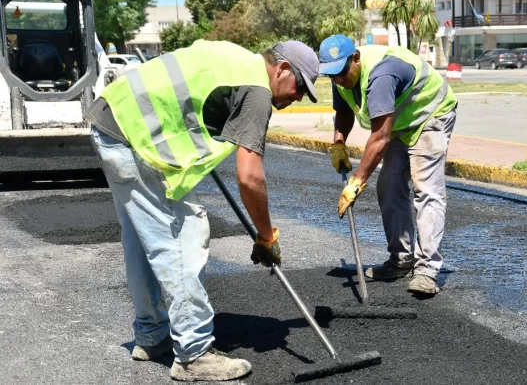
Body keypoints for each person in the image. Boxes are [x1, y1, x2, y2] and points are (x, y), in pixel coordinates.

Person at [84, 39, 319, 381]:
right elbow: (250, 177)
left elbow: (191, 95)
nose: (297, 97)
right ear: (282, 69)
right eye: (300, 87)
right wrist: (266, 236)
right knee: (183, 235)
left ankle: (151, 335)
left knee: (142, 239)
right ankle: (193, 353)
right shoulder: (257, 90)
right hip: (133, 135)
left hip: (113, 124)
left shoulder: (237, 58)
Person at [318, 35, 457, 296]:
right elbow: (345, 111)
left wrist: (356, 182)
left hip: (430, 113)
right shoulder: (340, 75)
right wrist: (338, 142)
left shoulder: (381, 75)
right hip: (400, 122)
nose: (337, 79)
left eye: (341, 72)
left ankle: (427, 270)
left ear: (355, 58)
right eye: (331, 75)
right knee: (389, 185)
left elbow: (380, 138)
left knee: (426, 189)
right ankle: (401, 260)